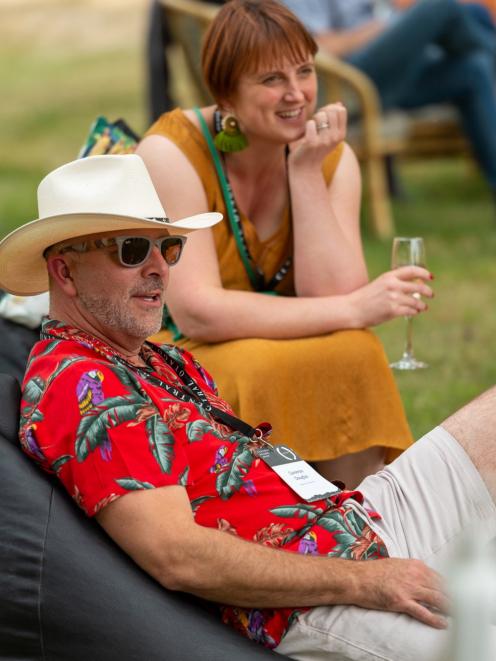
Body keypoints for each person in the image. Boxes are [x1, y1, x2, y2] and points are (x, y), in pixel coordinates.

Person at [2, 153, 496, 661]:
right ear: (64, 270)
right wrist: (368, 580)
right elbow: (177, 555)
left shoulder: (155, 357)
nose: (158, 268)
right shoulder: (82, 383)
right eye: (131, 250)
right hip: (315, 602)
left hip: (358, 522)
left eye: (167, 247)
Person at [136, 0, 435, 488]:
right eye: (271, 79)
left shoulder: (327, 156)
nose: (296, 94)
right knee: (282, 356)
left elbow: (333, 290)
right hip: (184, 352)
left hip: (281, 333)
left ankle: (355, 520)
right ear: (226, 93)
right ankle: (265, 518)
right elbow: (197, 311)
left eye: (304, 71)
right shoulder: (172, 153)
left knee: (354, 352)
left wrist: (305, 170)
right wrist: (354, 310)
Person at [282, 0, 496, 197]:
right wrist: (379, 29)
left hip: (391, 74)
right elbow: (314, 48)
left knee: (472, 68)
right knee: (440, 6)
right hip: (348, 81)